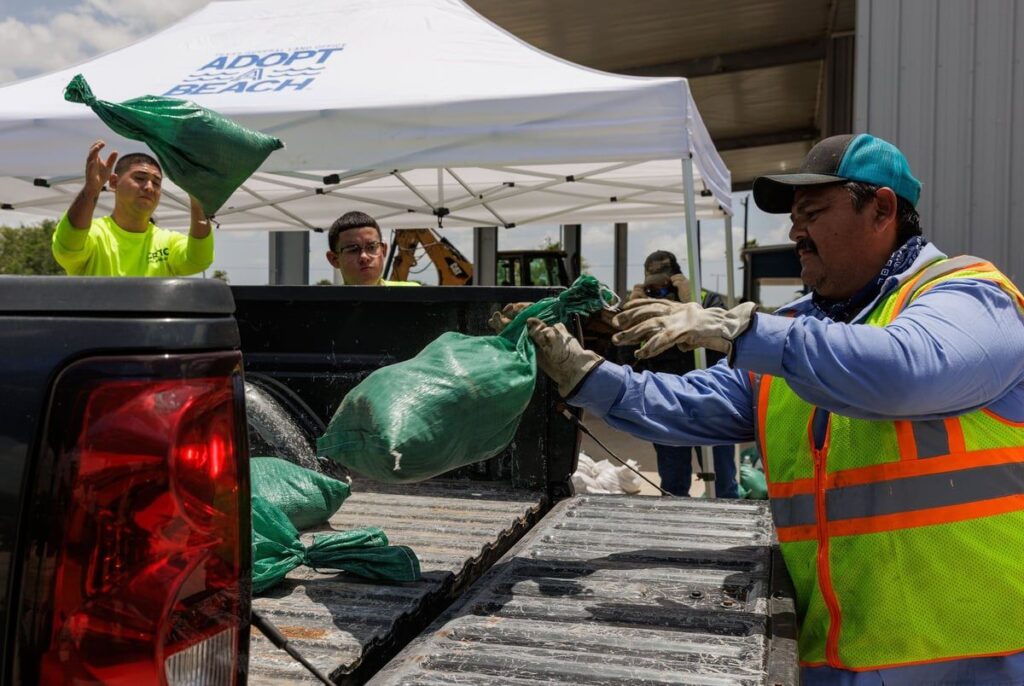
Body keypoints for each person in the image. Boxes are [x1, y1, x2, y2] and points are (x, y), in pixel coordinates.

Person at [516, 134, 1024, 683]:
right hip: (833, 656)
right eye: (794, 218)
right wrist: (587, 376)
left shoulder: (971, 297)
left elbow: (907, 372)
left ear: (882, 208)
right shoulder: (806, 327)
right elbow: (695, 403)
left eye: (813, 213)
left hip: (973, 660)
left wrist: (741, 328)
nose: (795, 232)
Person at [625, 250, 738, 498]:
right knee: (673, 485)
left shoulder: (707, 300)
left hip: (711, 404)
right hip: (667, 405)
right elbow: (623, 361)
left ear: (677, 277)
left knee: (723, 483)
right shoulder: (644, 308)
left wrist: (693, 304)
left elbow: (730, 341)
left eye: (665, 283)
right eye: (654, 284)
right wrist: (630, 314)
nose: (661, 291)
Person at [51, 140, 213, 276]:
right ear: (114, 182)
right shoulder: (95, 234)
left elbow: (198, 261)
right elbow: (67, 250)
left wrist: (197, 199)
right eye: (140, 178)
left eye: (156, 182)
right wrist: (91, 188)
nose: (149, 187)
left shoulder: (168, 241)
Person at [325, 211, 419, 286]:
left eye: (372, 247)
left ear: (384, 250)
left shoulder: (412, 294)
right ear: (334, 259)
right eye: (353, 250)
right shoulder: (325, 306)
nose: (364, 257)